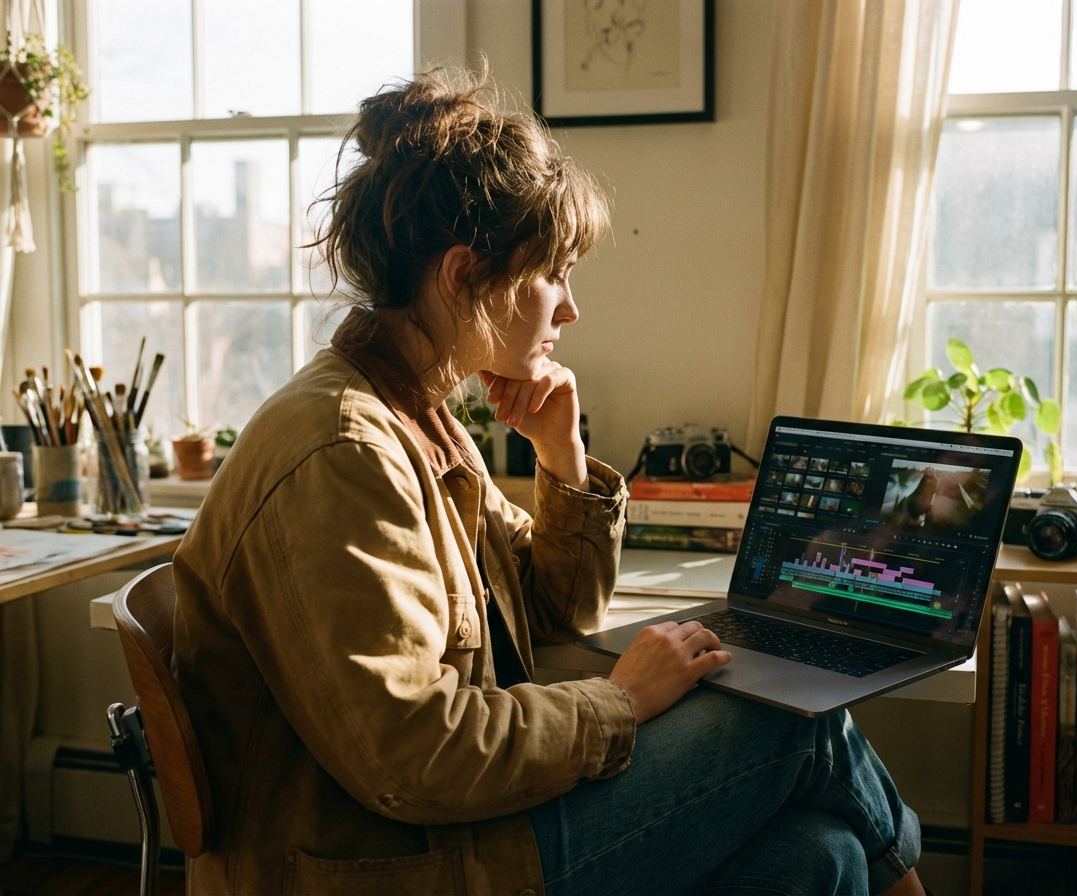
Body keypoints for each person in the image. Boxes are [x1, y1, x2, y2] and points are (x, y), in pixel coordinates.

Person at [171, 65, 927, 896]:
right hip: (390, 866)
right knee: (799, 732)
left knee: (826, 857)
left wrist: (560, 454)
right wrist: (622, 701)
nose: (569, 310)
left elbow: (558, 608)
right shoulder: (344, 449)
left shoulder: (419, 417)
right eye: (553, 274)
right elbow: (413, 757)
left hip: (450, 833)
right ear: (465, 277)